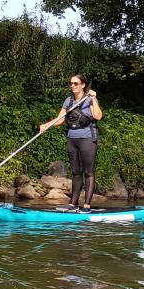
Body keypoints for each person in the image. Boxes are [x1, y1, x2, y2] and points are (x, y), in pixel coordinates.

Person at [40, 74, 102, 213]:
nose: (73, 86)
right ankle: (73, 204)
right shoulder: (68, 101)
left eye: (76, 83)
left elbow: (98, 116)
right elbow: (60, 119)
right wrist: (46, 125)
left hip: (87, 138)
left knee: (88, 172)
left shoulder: (89, 99)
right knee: (75, 172)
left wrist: (94, 99)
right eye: (71, 83)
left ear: (83, 85)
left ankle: (87, 205)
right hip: (72, 139)